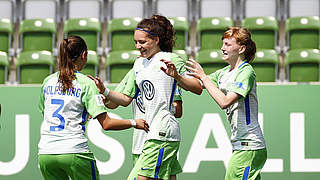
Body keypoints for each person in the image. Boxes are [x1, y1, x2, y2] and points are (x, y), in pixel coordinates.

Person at [93, 15, 202, 180]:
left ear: (156, 40)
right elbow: (125, 99)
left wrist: (178, 77)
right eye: (136, 42)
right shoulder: (139, 64)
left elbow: (198, 87)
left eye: (142, 42)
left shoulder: (171, 59)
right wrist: (105, 91)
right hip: (145, 138)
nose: (138, 46)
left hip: (161, 133)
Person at [37, 35, 149, 180]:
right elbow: (107, 124)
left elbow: (47, 113)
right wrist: (135, 123)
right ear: (84, 55)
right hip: (74, 151)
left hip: (46, 153)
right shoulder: (86, 83)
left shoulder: (48, 81)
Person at [184, 27, 267, 180]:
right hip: (241, 146)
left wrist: (204, 78)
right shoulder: (224, 73)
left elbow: (225, 102)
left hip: (249, 145)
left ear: (241, 48)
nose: (222, 48)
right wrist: (175, 76)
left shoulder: (245, 71)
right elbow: (196, 85)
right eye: (223, 44)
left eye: (228, 44)